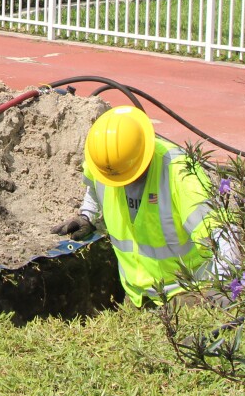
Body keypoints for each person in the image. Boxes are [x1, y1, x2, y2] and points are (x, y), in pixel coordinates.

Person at [52, 105, 230, 306]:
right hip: (137, 295)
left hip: (185, 292)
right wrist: (87, 216)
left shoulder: (179, 172)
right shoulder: (103, 162)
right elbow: (93, 186)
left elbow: (222, 236)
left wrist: (222, 292)